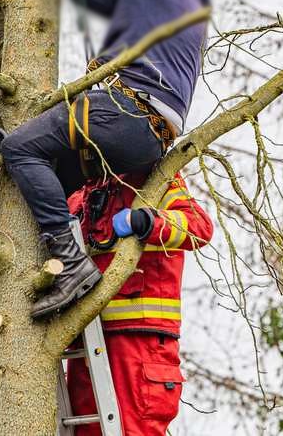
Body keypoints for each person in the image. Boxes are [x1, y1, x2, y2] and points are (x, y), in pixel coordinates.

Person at [0, 0, 212, 319]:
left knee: (20, 148)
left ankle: (73, 265)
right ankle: (61, 264)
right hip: (145, 132)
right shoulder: (167, 0)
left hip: (128, 110)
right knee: (52, 182)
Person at [64, 171, 213, 436]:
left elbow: (199, 227)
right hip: (87, 339)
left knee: (134, 430)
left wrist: (146, 221)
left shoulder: (156, 179)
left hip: (141, 344)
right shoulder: (83, 194)